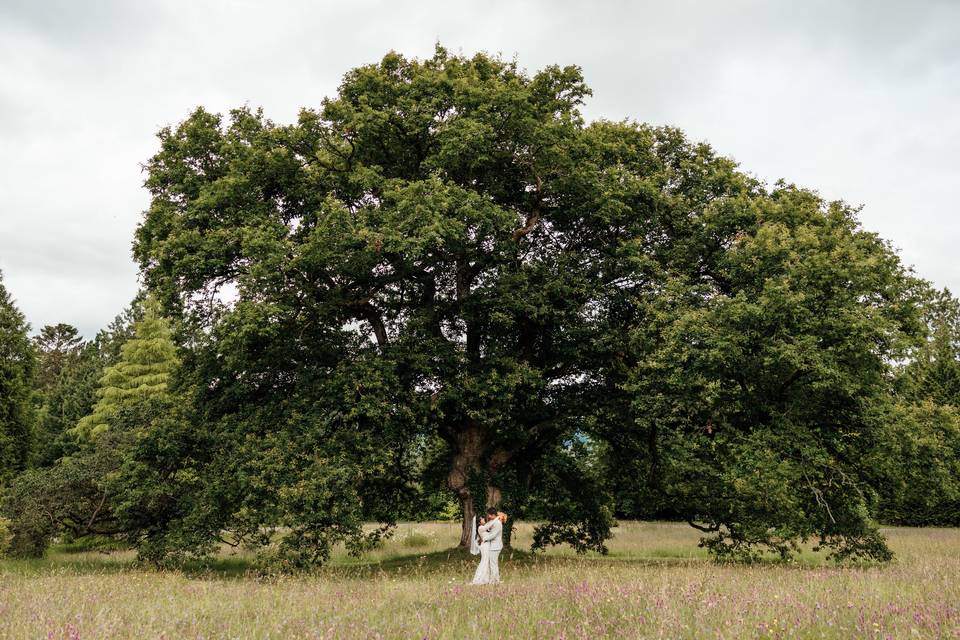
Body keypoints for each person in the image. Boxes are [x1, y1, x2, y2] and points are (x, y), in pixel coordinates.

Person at [471, 507, 504, 585]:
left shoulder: (497, 523)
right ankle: (494, 580)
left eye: (489, 515)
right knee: (492, 564)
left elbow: (493, 534)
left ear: (492, 515)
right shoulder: (493, 522)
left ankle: (494, 581)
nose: (487, 517)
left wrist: (484, 539)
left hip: (495, 546)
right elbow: (488, 527)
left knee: (493, 564)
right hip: (490, 546)